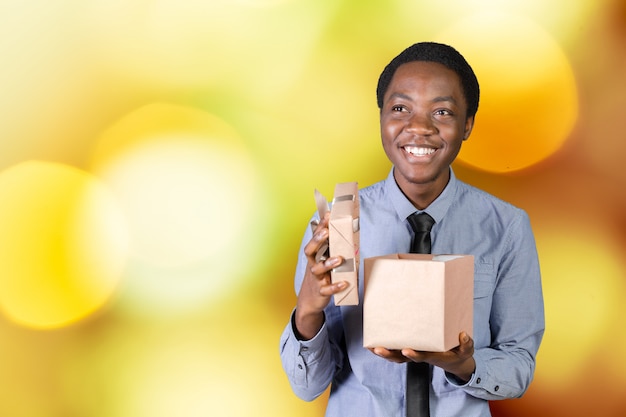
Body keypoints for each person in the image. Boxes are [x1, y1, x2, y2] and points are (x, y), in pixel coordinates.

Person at [279, 42, 545, 417]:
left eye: (442, 111)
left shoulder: (505, 226)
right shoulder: (340, 221)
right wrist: (307, 312)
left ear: (467, 124)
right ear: (382, 118)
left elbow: (519, 365)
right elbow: (308, 387)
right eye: (400, 108)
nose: (419, 127)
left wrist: (462, 365)